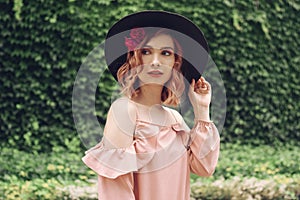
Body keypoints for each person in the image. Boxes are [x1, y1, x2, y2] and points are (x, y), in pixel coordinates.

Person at [82, 11, 220, 200]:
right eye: (146, 52)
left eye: (165, 53)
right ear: (134, 59)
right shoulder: (125, 111)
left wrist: (202, 110)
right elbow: (116, 192)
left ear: (175, 63)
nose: (155, 62)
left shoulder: (175, 119)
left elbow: (204, 168)